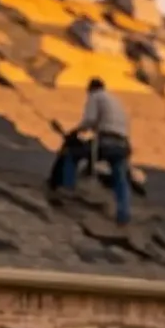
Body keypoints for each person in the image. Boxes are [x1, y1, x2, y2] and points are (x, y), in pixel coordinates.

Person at [53, 78, 134, 224]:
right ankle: (124, 213)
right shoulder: (116, 100)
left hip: (106, 142)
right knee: (120, 178)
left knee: (72, 155)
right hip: (123, 143)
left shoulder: (95, 96)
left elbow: (90, 120)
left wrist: (76, 131)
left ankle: (67, 190)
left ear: (90, 89)